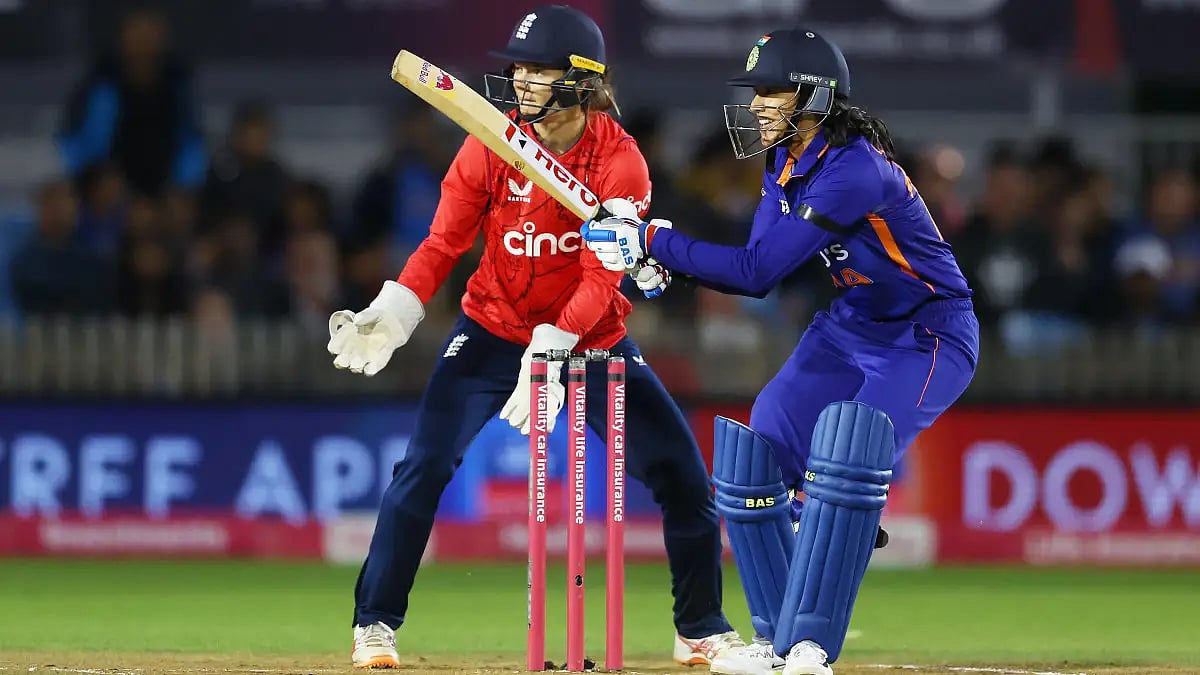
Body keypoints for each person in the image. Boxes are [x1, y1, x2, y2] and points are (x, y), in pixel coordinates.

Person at [328, 5, 742, 669]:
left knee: (684, 477)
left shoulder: (620, 163)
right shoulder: (489, 142)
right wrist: (399, 305)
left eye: (537, 71)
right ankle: (374, 623)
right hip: (490, 330)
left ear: (579, 81)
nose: (520, 83)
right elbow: (444, 241)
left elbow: (601, 279)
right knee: (424, 466)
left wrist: (557, 344)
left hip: (593, 339)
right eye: (516, 69)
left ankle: (700, 627)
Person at [581, 28, 979, 675]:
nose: (758, 104)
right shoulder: (784, 162)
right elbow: (746, 260)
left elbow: (759, 271)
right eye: (756, 91)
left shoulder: (855, 170)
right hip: (850, 328)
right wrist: (665, 262)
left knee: (843, 462)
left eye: (771, 90)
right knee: (759, 450)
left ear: (815, 96)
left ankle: (813, 645)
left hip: (927, 333)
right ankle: (781, 636)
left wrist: (652, 239)